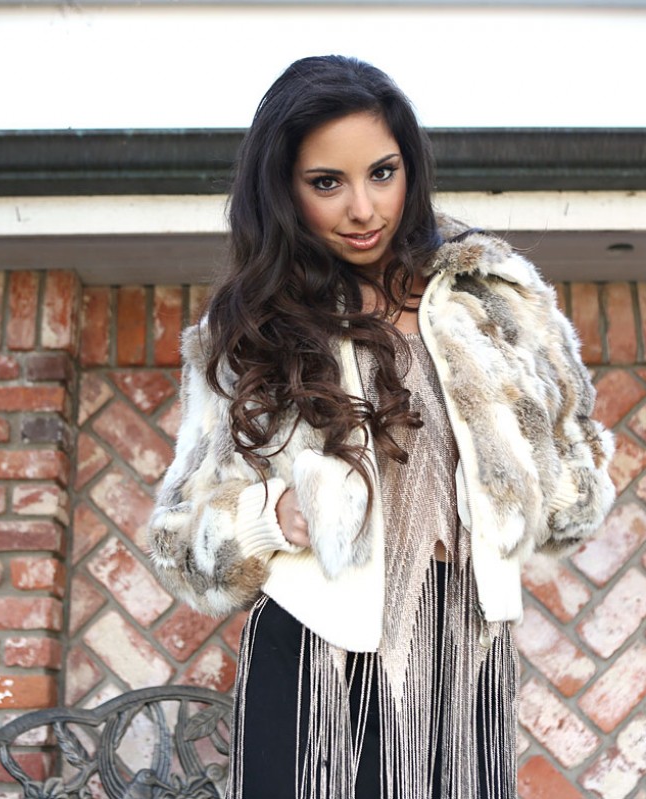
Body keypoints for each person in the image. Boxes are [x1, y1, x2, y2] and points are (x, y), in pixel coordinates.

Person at [147, 55, 615, 799]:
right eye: (327, 183)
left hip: (464, 651)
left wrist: (527, 479)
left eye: (382, 173)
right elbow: (181, 544)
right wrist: (272, 513)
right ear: (284, 190)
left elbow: (575, 477)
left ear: (410, 169)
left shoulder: (491, 298)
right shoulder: (249, 332)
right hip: (316, 657)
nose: (364, 208)